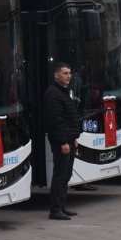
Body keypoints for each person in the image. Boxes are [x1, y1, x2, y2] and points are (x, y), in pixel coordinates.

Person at [42, 62, 82, 221]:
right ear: (56, 75)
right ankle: (55, 209)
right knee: (60, 175)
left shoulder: (63, 92)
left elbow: (68, 119)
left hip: (69, 140)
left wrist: (73, 139)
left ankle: (62, 206)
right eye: (65, 73)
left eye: (70, 73)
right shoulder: (53, 94)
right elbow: (56, 121)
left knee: (66, 174)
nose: (68, 76)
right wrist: (63, 142)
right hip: (61, 142)